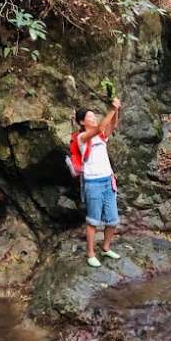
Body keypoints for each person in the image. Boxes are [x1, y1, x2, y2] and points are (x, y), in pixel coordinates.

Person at [75, 98, 122, 268]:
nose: (93, 118)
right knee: (93, 221)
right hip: (93, 183)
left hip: (108, 181)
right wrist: (111, 108)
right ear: (82, 121)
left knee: (113, 219)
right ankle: (90, 253)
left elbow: (111, 126)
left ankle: (106, 247)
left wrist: (116, 110)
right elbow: (102, 126)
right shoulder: (82, 137)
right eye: (89, 116)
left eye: (94, 115)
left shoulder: (101, 137)